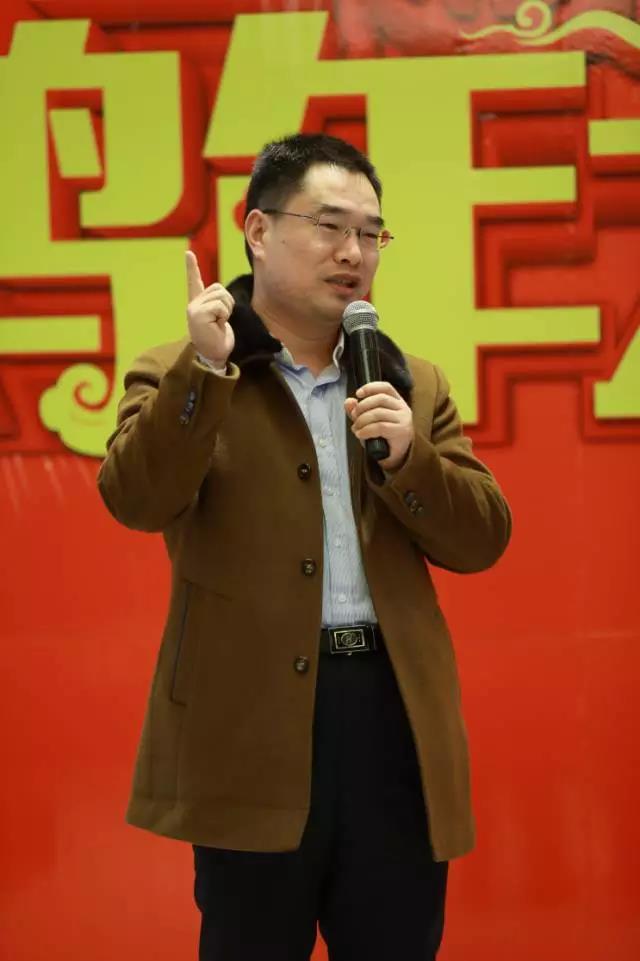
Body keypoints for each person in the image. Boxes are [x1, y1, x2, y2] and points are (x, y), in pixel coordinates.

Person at [97, 132, 512, 961]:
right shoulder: (183, 371)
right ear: (257, 230)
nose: (354, 252)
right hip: (249, 727)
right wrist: (204, 371)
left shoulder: (408, 382)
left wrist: (409, 456)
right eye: (329, 227)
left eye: (370, 233)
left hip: (391, 719)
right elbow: (135, 497)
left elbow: (482, 539)